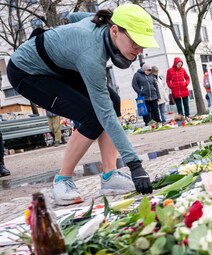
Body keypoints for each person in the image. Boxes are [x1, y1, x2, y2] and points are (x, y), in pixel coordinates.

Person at [7, 4, 155, 205]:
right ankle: (62, 181)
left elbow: (73, 16)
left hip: (58, 68)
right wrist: (135, 165)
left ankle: (110, 176)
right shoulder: (91, 54)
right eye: (135, 43)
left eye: (143, 45)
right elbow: (105, 115)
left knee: (114, 101)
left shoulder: (102, 24)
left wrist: (63, 40)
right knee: (93, 117)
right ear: (114, 30)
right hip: (26, 72)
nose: (139, 50)